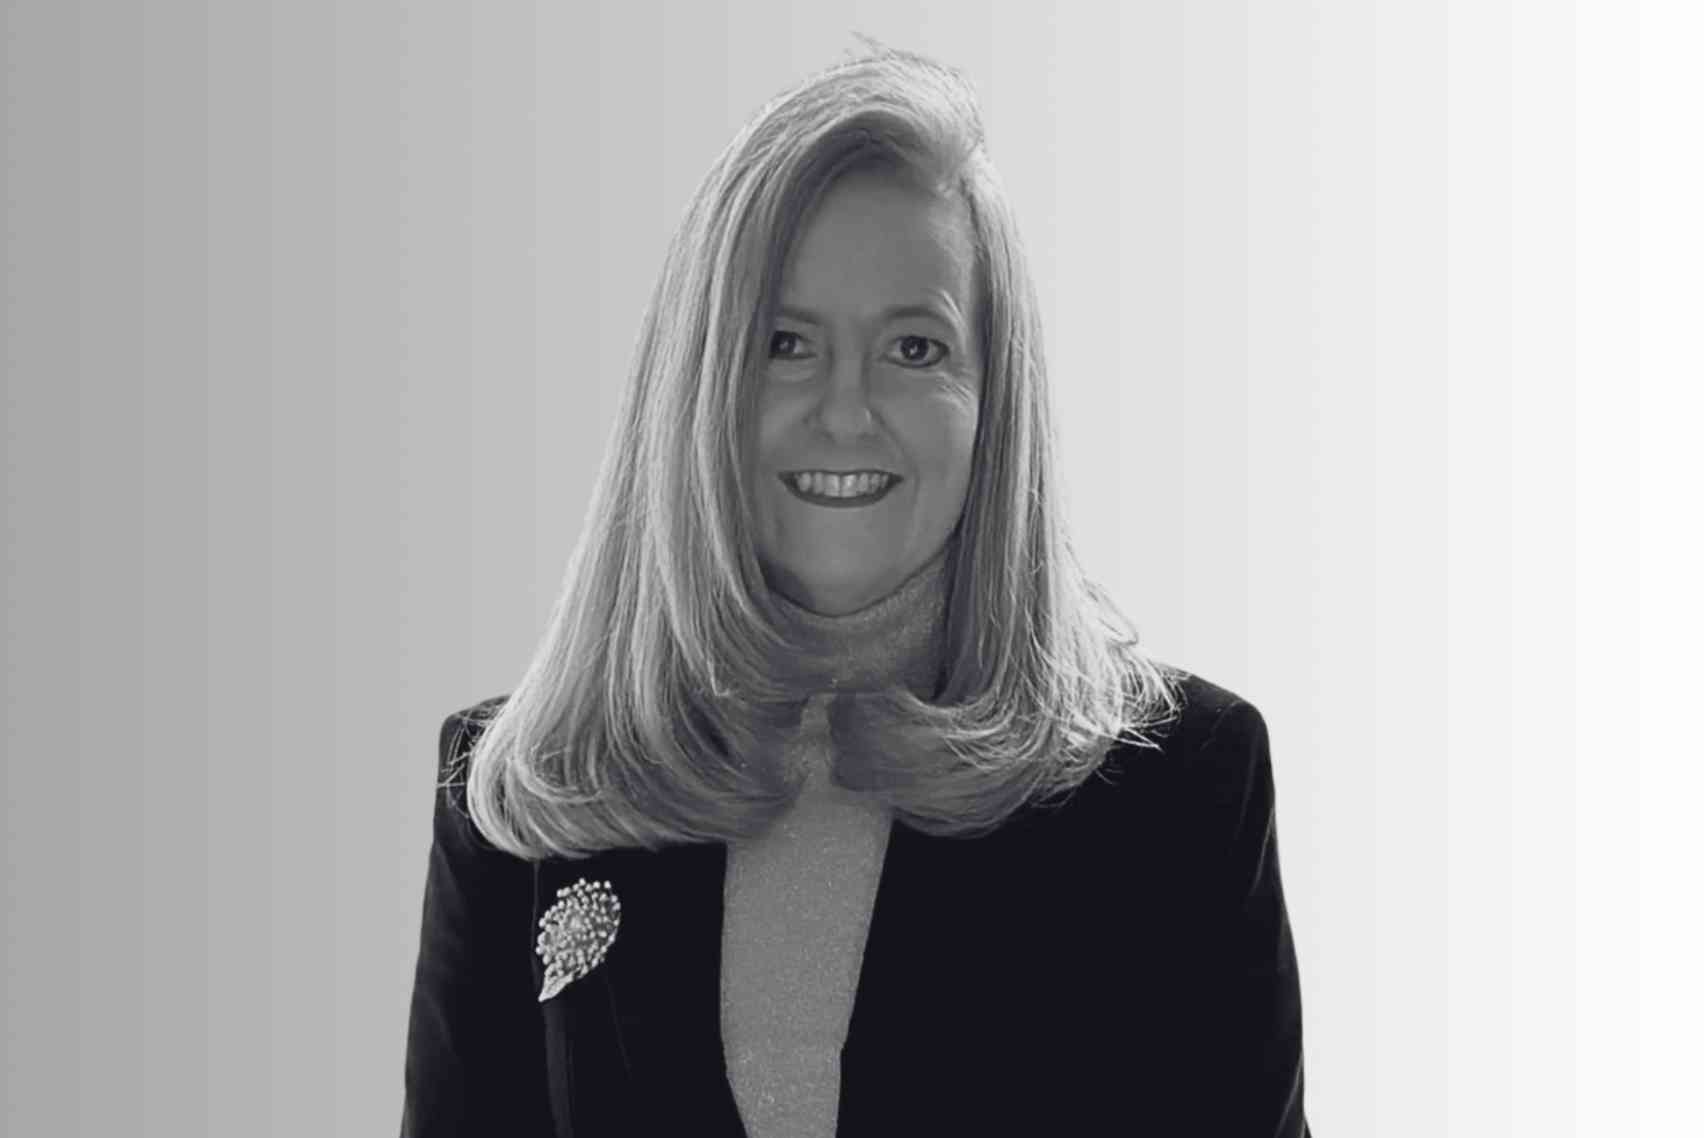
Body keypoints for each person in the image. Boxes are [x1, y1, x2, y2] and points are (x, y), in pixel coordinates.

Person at [401, 38, 1312, 1138]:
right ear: (696, 383)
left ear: (995, 397)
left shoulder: (1184, 788)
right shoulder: (521, 790)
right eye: (785, 343)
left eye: (915, 349)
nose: (845, 410)